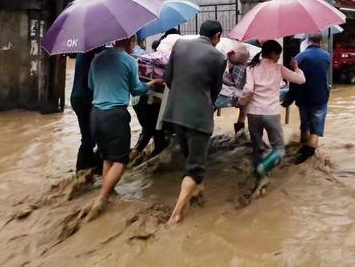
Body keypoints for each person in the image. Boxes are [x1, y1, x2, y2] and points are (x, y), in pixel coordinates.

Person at [87, 36, 161, 218]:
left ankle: (109, 193)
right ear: (131, 43)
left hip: (95, 115)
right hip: (115, 116)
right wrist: (152, 83)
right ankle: (102, 198)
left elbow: (90, 85)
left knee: (107, 158)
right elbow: (136, 89)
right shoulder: (129, 61)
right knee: (121, 161)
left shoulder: (97, 58)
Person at [162, 20, 227, 224]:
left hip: (174, 114)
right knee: (195, 168)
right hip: (198, 118)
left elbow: (167, 78)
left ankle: (197, 190)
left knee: (189, 156)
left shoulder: (179, 44)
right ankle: (177, 214)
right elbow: (215, 91)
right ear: (217, 36)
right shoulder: (218, 57)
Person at [239, 40, 305, 178]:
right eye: (278, 54)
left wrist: (241, 102)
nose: (278, 58)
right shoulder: (279, 68)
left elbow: (249, 89)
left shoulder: (251, 68)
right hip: (271, 113)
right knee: (279, 150)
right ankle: (264, 168)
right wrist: (296, 67)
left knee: (257, 147)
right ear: (273, 53)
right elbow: (301, 80)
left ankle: (260, 176)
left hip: (253, 113)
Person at [286, 33, 331, 164]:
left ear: (307, 41)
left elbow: (294, 81)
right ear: (320, 42)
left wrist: (289, 98)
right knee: (316, 130)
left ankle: (301, 151)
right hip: (320, 98)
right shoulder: (326, 56)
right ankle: (306, 160)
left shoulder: (299, 57)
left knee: (304, 125)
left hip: (303, 98)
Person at [70, 49, 102, 172]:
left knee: (89, 136)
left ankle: (86, 168)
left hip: (77, 97)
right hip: (86, 98)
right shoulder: (95, 50)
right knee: (92, 136)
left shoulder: (82, 51)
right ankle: (84, 170)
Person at [214, 44, 249, 135]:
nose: (234, 65)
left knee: (244, 108)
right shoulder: (220, 58)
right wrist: (231, 83)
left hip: (233, 85)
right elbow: (220, 78)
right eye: (233, 63)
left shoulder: (244, 60)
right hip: (217, 84)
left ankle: (239, 134)